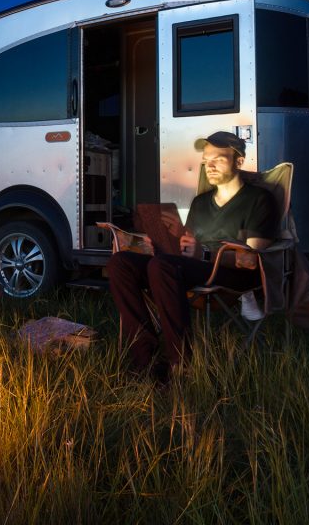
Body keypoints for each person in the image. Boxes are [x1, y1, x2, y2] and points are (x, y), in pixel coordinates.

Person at [106, 131, 278, 384]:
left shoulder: (259, 200)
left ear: (239, 161)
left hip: (234, 276)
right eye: (206, 160)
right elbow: (188, 248)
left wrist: (204, 253)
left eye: (218, 159)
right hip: (195, 267)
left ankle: (181, 365)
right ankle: (145, 361)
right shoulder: (200, 202)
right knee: (121, 264)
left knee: (162, 267)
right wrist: (168, 240)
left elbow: (251, 261)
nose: (209, 165)